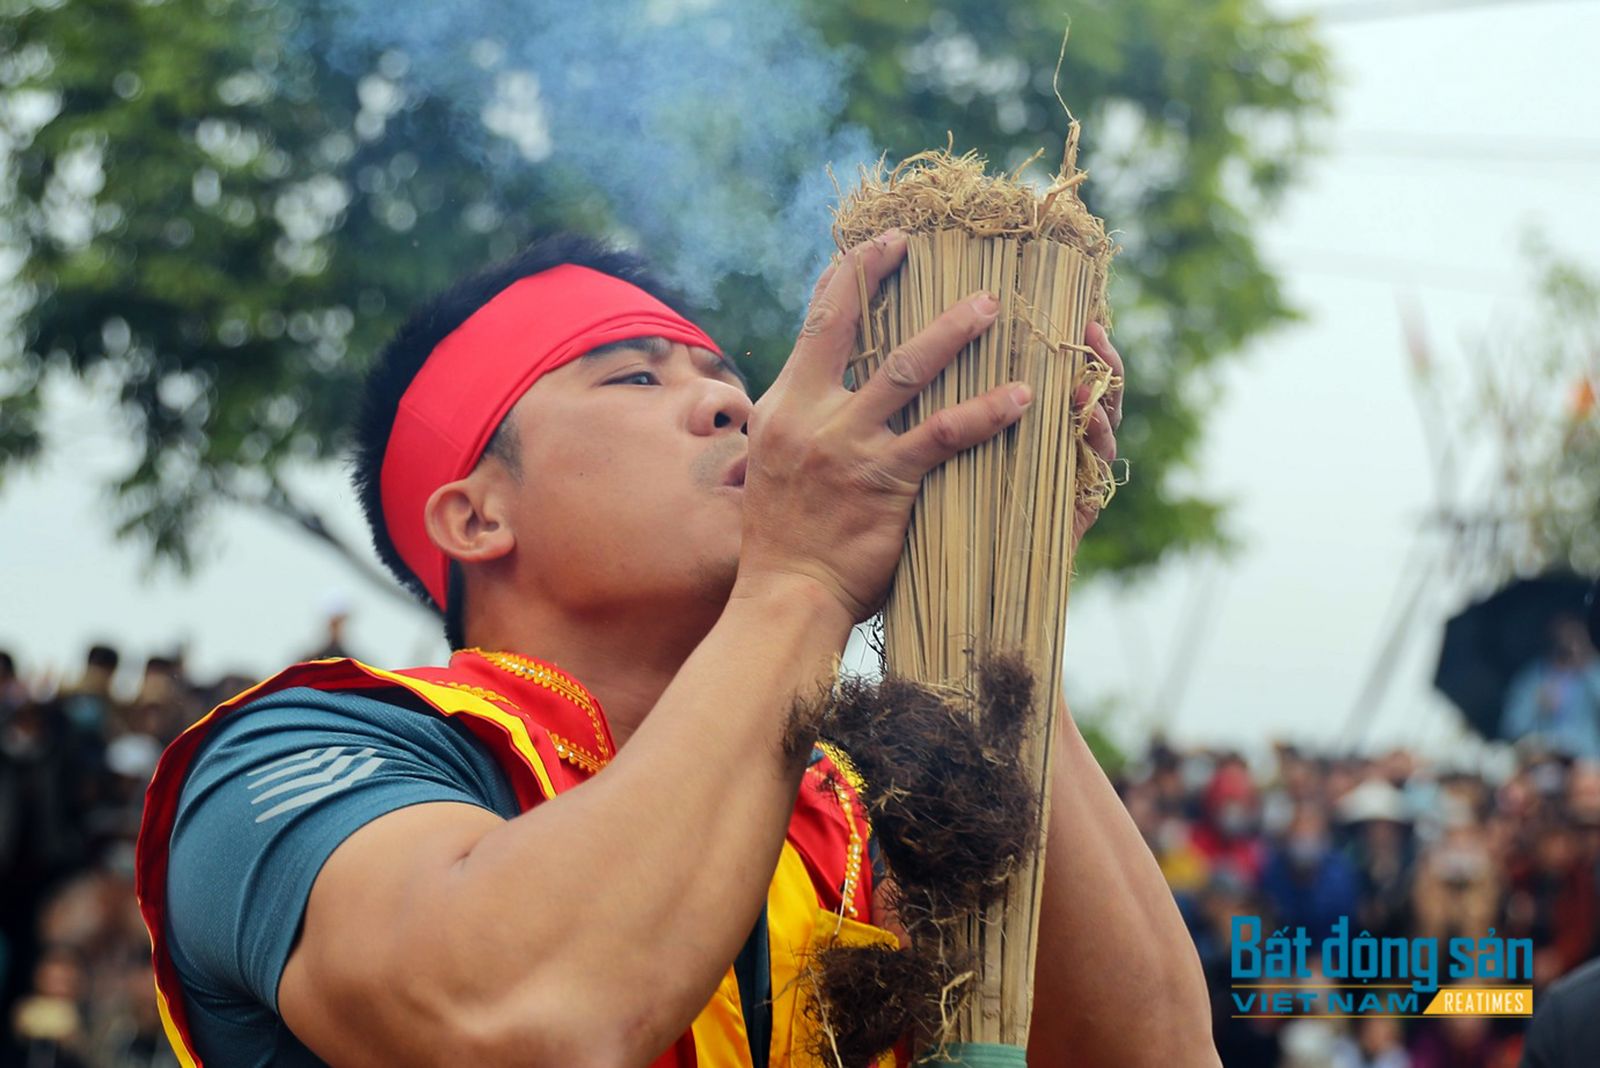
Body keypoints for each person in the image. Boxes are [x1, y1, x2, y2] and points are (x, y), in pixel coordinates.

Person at [134, 231, 1216, 1066]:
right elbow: (522, 1021)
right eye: (635, 378)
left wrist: (1000, 612)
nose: (732, 406)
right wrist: (799, 581)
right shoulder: (288, 755)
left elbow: (1155, 1055)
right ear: (474, 518)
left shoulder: (850, 816)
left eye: (721, 377)